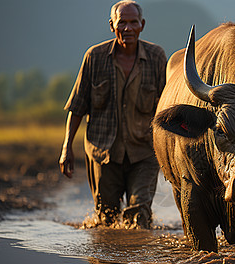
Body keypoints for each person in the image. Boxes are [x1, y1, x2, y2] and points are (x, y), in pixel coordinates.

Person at [59, 0, 166, 228]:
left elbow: (166, 109)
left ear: (142, 25)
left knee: (140, 216)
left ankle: (138, 260)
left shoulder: (157, 57)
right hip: (103, 153)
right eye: (122, 23)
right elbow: (77, 107)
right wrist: (67, 147)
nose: (127, 28)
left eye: (133, 22)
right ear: (112, 25)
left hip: (144, 153)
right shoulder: (94, 58)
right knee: (107, 219)